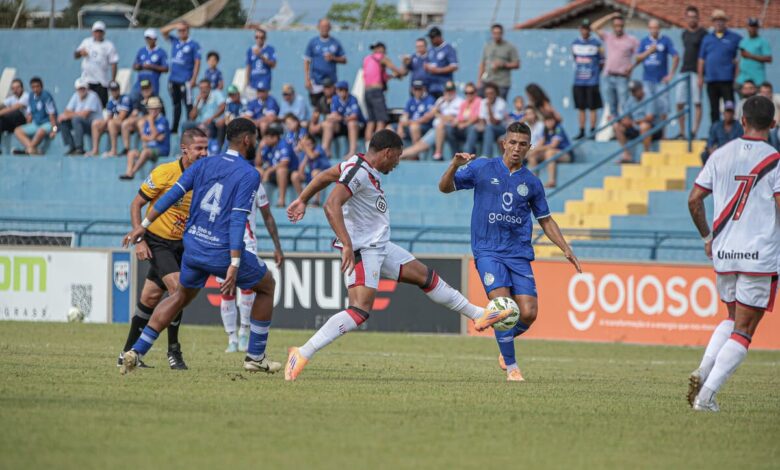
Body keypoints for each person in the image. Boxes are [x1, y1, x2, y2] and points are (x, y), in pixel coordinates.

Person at [283, 130, 507, 381]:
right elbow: (331, 204)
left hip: (380, 245)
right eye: (397, 157)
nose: (397, 162)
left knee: (426, 277)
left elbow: (324, 176)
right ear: (387, 152)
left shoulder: (355, 163)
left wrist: (302, 199)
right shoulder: (358, 171)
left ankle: (479, 315)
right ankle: (302, 352)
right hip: (363, 249)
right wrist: (346, 244)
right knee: (359, 311)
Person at [120, 118, 283, 375]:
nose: (258, 144)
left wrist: (144, 224)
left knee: (179, 296)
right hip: (220, 250)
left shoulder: (205, 163)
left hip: (193, 248)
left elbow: (173, 193)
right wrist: (234, 264)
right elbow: (238, 218)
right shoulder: (250, 173)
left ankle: (136, 350)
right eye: (256, 139)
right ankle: (255, 356)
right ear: (247, 140)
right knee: (266, 284)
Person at [439, 121, 581, 381]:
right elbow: (445, 187)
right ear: (504, 143)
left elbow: (546, 220)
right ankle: (513, 367)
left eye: (522, 144)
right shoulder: (483, 167)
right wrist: (453, 166)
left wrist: (565, 248)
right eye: (512, 142)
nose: (516, 148)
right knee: (503, 305)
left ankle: (499, 330)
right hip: (487, 250)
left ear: (530, 148)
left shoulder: (532, 183)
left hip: (518, 253)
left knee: (528, 313)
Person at [687, 95, 779, 411]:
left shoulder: (719, 154)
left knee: (730, 316)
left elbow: (694, 199)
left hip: (724, 253)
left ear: (742, 121)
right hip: (759, 255)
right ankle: (706, 396)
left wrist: (706, 237)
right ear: (773, 124)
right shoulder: (775, 160)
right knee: (744, 329)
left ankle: (704, 369)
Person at [117, 128, 208, 370]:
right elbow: (136, 204)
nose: (204, 153)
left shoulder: (205, 177)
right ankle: (174, 352)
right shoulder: (165, 173)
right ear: (185, 150)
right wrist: (140, 240)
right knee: (178, 289)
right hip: (158, 241)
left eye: (206, 148)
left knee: (150, 298)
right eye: (199, 148)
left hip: (184, 245)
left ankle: (126, 353)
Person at [219, 166, 284, 353]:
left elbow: (268, 217)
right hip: (224, 244)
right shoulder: (222, 186)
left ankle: (244, 332)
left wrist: (277, 247)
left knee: (248, 289)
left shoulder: (256, 186)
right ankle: (231, 337)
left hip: (248, 245)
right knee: (227, 290)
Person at [400, 80, 462, 161]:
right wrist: (439, 112)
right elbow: (432, 113)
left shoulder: (460, 101)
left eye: (451, 90)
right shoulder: (441, 100)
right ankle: (400, 155)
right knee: (419, 145)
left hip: (448, 129)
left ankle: (438, 153)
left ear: (454, 91)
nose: (448, 92)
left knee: (439, 126)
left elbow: (452, 119)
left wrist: (438, 114)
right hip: (436, 128)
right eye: (446, 90)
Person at [698, 10, 742, 124]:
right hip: (711, 80)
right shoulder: (707, 38)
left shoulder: (734, 38)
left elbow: (743, 53)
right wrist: (700, 77)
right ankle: (715, 132)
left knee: (729, 106)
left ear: (725, 22)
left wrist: (737, 73)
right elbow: (701, 59)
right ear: (713, 22)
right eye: (716, 20)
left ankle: (731, 132)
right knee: (714, 109)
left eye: (721, 20)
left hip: (727, 79)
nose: (719, 23)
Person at [634, 19, 679, 129]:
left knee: (663, 107)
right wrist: (648, 52)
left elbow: (676, 56)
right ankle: (651, 131)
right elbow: (637, 58)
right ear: (649, 29)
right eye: (651, 28)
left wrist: (671, 74)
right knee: (650, 106)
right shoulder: (644, 41)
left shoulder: (665, 40)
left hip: (661, 80)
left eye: (656, 28)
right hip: (647, 79)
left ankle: (663, 133)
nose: (654, 30)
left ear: (659, 29)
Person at [593, 13, 639, 118]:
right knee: (611, 107)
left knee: (625, 105)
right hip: (608, 76)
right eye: (616, 26)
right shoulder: (608, 37)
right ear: (613, 26)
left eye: (620, 26)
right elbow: (594, 27)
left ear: (623, 26)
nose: (618, 28)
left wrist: (632, 66)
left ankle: (628, 131)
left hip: (622, 77)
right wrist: (610, 16)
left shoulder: (631, 40)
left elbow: (639, 56)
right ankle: (616, 131)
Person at [161, 21, 201, 134]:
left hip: (186, 80)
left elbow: (197, 62)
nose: (181, 32)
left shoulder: (193, 44)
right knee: (176, 105)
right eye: (179, 30)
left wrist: (194, 78)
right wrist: (175, 25)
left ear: (188, 31)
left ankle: (190, 128)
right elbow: (163, 31)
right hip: (173, 80)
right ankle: (174, 128)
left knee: (188, 104)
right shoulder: (175, 41)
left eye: (184, 30)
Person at [362, 41, 404, 141]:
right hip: (376, 91)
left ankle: (367, 149)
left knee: (371, 121)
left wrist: (392, 76)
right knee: (381, 121)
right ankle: (377, 147)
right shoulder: (381, 57)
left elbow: (379, 76)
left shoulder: (367, 59)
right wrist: (404, 66)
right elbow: (397, 70)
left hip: (367, 92)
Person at [120, 96, 170, 180]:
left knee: (145, 152)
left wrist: (151, 123)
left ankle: (132, 173)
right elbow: (143, 137)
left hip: (161, 149)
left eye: (155, 109)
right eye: (151, 109)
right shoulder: (147, 121)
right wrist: (153, 137)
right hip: (150, 148)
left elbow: (156, 136)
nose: (152, 111)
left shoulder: (163, 120)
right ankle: (128, 172)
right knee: (131, 153)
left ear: (159, 109)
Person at [676, 6, 707, 139]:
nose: (692, 19)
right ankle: (682, 132)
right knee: (679, 103)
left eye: (694, 16)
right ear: (686, 18)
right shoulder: (684, 33)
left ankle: (694, 131)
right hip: (684, 71)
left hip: (696, 72)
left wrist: (701, 75)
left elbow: (704, 55)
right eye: (689, 16)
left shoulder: (703, 33)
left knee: (697, 102)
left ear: (698, 18)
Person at [571, 19, 604, 140]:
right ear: (580, 29)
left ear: (590, 29)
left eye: (587, 28)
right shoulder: (575, 43)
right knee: (581, 108)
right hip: (579, 81)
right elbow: (575, 58)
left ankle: (593, 130)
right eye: (583, 28)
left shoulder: (596, 43)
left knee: (593, 107)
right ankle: (581, 131)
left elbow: (602, 61)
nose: (585, 31)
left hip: (592, 81)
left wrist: (595, 73)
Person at [74, 20, 118, 107]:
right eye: (96, 31)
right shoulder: (86, 42)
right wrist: (80, 53)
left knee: (101, 104)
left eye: (100, 31)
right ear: (92, 32)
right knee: (86, 104)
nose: (98, 34)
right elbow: (76, 55)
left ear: (103, 33)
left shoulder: (108, 45)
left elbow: (114, 63)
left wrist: (113, 79)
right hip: (87, 80)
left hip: (101, 81)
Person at [304, 19, 346, 106]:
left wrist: (333, 58)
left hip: (331, 81)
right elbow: (307, 61)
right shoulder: (313, 42)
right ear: (318, 27)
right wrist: (307, 79)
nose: (324, 29)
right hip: (316, 80)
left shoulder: (335, 43)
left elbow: (344, 60)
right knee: (317, 108)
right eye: (322, 26)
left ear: (330, 28)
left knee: (331, 106)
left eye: (326, 26)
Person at [13, 77, 57, 156]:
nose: (35, 89)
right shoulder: (31, 96)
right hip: (36, 124)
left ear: (41, 87)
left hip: (47, 123)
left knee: (40, 131)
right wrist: (28, 125)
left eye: (37, 86)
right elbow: (30, 114)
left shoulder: (46, 96)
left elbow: (52, 114)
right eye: (33, 87)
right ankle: (33, 150)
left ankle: (28, 150)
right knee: (17, 131)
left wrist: (54, 129)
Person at [613, 80, 655, 163]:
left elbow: (650, 117)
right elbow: (625, 116)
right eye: (632, 91)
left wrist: (634, 121)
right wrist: (625, 121)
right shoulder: (631, 99)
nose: (633, 93)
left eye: (635, 90)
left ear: (641, 89)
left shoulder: (649, 97)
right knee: (616, 126)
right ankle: (626, 154)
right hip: (634, 126)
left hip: (648, 127)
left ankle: (646, 155)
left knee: (644, 126)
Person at [86, 80, 131, 157]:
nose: (114, 92)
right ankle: (95, 149)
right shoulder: (111, 101)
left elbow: (122, 117)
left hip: (125, 123)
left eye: (116, 89)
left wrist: (108, 122)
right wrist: (103, 124)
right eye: (112, 90)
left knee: (111, 123)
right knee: (96, 123)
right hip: (115, 122)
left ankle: (114, 150)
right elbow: (109, 117)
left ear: (119, 90)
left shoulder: (125, 98)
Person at [59, 78, 103, 156]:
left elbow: (85, 115)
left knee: (76, 120)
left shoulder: (93, 96)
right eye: (79, 89)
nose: (81, 90)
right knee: (63, 121)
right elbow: (66, 111)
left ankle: (79, 148)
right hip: (81, 123)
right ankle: (72, 147)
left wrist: (70, 115)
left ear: (87, 88)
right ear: (76, 89)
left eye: (83, 88)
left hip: (93, 125)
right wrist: (71, 114)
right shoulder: (76, 95)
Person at [257, 124, 298, 207]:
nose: (264, 140)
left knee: (281, 170)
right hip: (273, 174)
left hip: (288, 174)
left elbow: (285, 162)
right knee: (257, 170)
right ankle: (259, 201)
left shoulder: (284, 144)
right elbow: (258, 163)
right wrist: (260, 148)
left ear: (275, 137)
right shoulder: (268, 147)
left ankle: (281, 201)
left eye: (267, 138)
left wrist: (269, 171)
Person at [322, 80, 364, 159]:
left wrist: (341, 118)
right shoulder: (335, 99)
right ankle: (325, 150)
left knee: (352, 123)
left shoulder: (353, 99)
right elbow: (334, 114)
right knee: (328, 124)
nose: (340, 92)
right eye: (338, 90)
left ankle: (352, 151)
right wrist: (333, 117)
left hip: (358, 125)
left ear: (346, 90)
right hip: (342, 125)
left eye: (342, 90)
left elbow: (354, 116)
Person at [477, 23, 519, 100]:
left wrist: (503, 64)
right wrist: (479, 80)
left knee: (499, 105)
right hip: (487, 80)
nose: (497, 35)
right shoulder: (487, 46)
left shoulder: (510, 47)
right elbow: (482, 64)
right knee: (480, 101)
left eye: (499, 33)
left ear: (502, 33)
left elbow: (517, 64)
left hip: (502, 82)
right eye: (494, 33)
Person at [527, 115, 571, 187]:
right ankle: (534, 182)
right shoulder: (545, 130)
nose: (549, 123)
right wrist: (531, 150)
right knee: (532, 156)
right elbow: (540, 144)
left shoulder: (558, 128)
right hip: (552, 153)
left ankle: (552, 181)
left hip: (566, 154)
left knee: (549, 152)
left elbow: (553, 145)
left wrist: (537, 149)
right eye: (547, 121)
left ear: (554, 121)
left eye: (551, 120)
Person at [291, 132, 331, 206]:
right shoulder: (305, 152)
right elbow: (301, 170)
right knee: (295, 175)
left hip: (325, 173)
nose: (303, 141)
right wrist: (305, 153)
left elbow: (312, 156)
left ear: (311, 141)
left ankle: (316, 201)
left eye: (305, 139)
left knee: (315, 172)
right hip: (311, 175)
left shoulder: (318, 147)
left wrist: (305, 147)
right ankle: (303, 200)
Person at [120, 79, 156, 156]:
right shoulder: (140, 99)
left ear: (151, 88)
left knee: (141, 122)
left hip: (153, 123)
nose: (145, 90)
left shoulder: (155, 99)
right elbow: (135, 112)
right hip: (141, 120)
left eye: (147, 88)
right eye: (143, 89)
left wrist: (141, 118)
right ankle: (126, 148)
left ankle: (144, 147)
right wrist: (131, 120)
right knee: (125, 123)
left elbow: (155, 115)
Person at [131, 29, 168, 100]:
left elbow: (166, 68)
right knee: (135, 98)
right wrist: (138, 66)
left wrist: (151, 66)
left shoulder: (161, 52)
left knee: (152, 101)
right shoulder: (142, 51)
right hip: (141, 82)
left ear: (155, 39)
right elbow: (134, 65)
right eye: (147, 38)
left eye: (150, 39)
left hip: (152, 82)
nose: (148, 41)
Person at [445, 82, 481, 154]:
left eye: (471, 92)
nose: (468, 95)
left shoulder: (479, 101)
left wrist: (465, 124)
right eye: (466, 93)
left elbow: (476, 117)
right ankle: (455, 153)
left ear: (475, 93)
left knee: (472, 128)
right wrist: (457, 123)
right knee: (449, 128)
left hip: (473, 126)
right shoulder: (464, 103)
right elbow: (459, 117)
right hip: (462, 126)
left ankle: (466, 153)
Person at [397, 80, 435, 144]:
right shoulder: (410, 101)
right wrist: (400, 126)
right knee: (390, 128)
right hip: (410, 124)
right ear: (412, 89)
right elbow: (404, 116)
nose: (417, 91)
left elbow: (426, 118)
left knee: (414, 127)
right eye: (415, 89)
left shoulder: (430, 99)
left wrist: (411, 122)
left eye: (419, 89)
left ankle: (415, 153)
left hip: (424, 126)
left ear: (423, 89)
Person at [737, 18, 772, 87]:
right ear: (747, 27)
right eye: (750, 26)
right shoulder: (743, 41)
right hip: (742, 79)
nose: (752, 29)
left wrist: (750, 56)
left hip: (757, 80)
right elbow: (740, 60)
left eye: (754, 27)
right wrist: (736, 77)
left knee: (756, 97)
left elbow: (769, 59)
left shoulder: (763, 42)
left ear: (757, 28)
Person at [425, 27, 458, 99]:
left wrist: (437, 70)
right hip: (431, 87)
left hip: (444, 87)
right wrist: (427, 67)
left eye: (432, 38)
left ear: (438, 37)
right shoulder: (430, 49)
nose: (431, 40)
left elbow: (454, 66)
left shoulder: (448, 48)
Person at [476, 82, 508, 157]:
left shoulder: (501, 103)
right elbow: (481, 118)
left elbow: (494, 122)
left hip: (501, 128)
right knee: (473, 129)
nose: (489, 96)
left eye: (491, 93)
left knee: (489, 127)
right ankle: (468, 154)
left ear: (496, 93)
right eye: (487, 94)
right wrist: (481, 125)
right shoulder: (483, 101)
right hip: (487, 127)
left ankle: (487, 155)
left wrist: (489, 107)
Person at [246, 27, 276, 96]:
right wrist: (247, 81)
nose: (259, 39)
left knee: (264, 105)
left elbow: (273, 64)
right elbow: (248, 66)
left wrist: (260, 56)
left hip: (264, 82)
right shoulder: (250, 50)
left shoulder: (270, 49)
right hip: (253, 83)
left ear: (265, 38)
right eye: (257, 37)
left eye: (261, 37)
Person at [0, 79, 28, 152]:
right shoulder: (12, 98)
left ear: (22, 88)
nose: (15, 90)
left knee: (15, 113)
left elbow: (14, 108)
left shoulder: (26, 96)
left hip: (24, 122)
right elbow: (2, 105)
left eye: (17, 87)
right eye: (13, 88)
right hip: (13, 123)